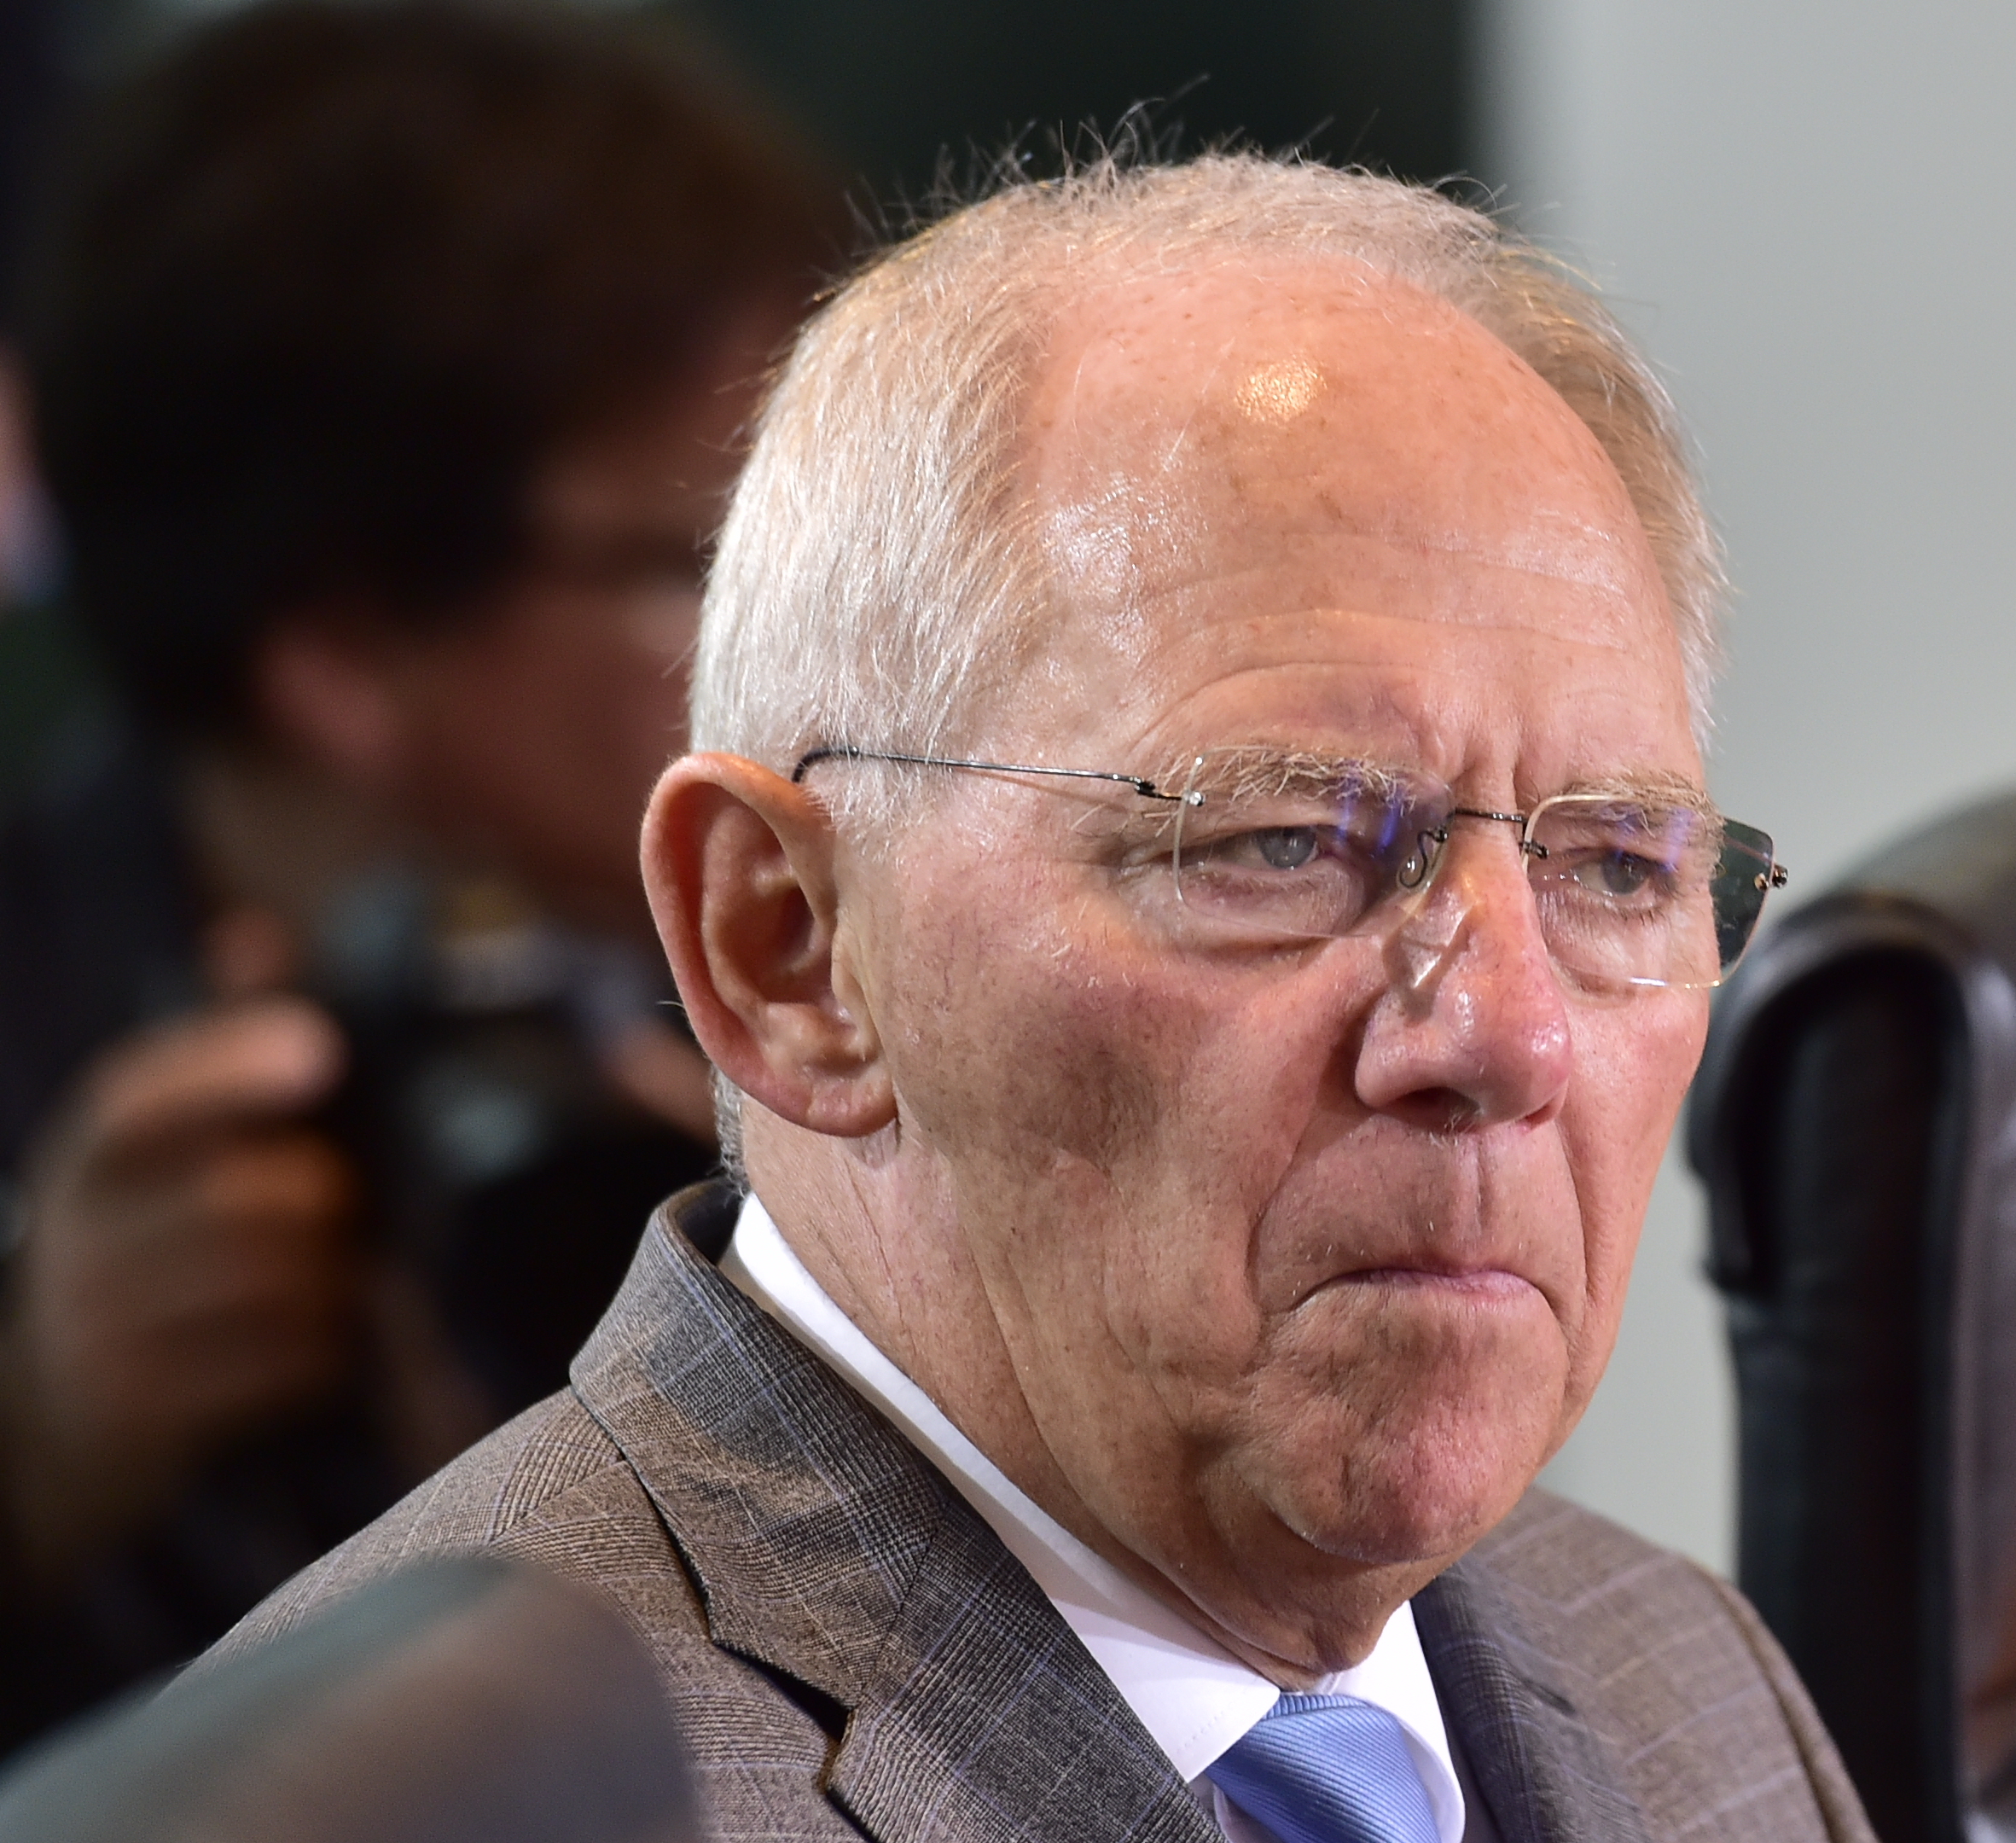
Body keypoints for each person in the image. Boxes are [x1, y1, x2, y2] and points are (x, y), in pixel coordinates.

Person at [210, 154, 1856, 1842]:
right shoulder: (408, 1815)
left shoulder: (1692, 1683)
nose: (1510, 1034)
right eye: (1284, 844)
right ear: (790, 951)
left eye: (1617, 868)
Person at [0, 1, 837, 1747]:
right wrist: (36, 1466)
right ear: (344, 650)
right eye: (708, 561)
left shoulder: (846, 986)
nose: (814, 641)